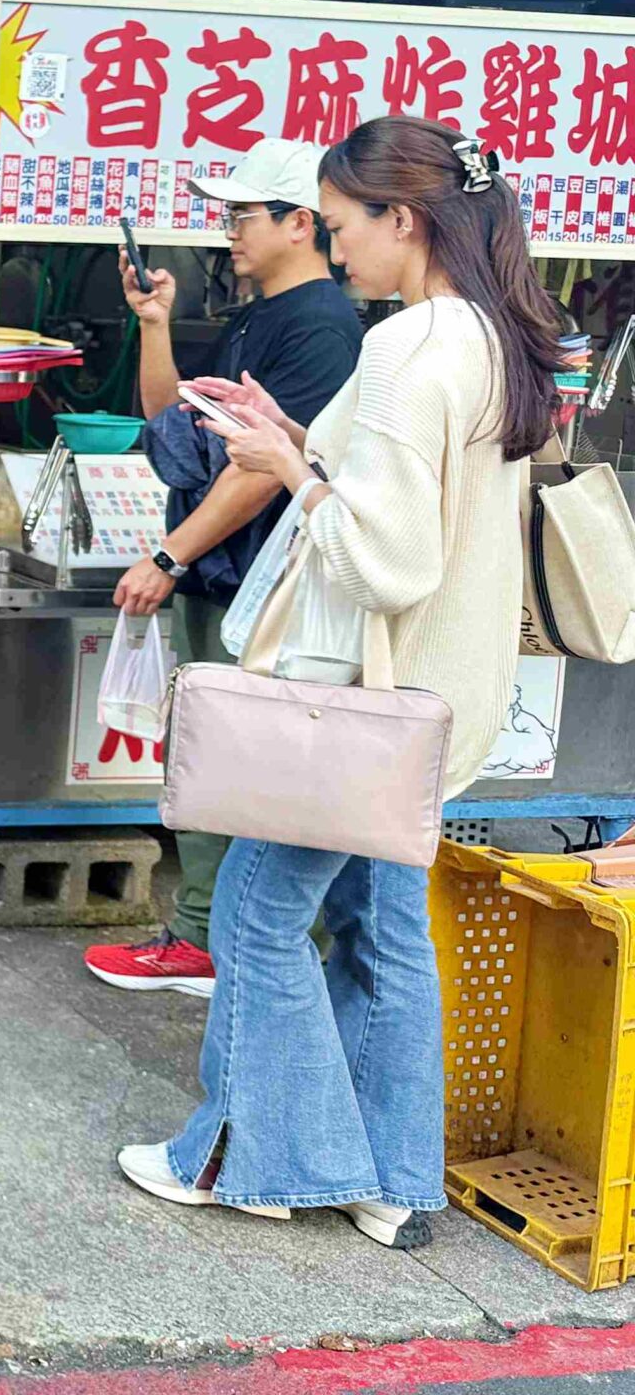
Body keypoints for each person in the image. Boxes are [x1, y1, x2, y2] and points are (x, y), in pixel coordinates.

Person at [117, 116, 564, 1248]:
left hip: (354, 700)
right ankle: (394, 1180)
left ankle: (276, 1160)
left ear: (401, 220)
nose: (336, 245)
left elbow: (386, 556)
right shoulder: (485, 337)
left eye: (340, 223)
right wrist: (285, 440)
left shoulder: (408, 346)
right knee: (381, 926)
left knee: (263, 924)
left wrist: (291, 477)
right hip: (428, 705)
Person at [85, 138, 360, 999]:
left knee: (240, 768)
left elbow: (258, 470)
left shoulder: (319, 324)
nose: (229, 231)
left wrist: (170, 553)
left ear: (300, 224)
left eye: (243, 216)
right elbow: (173, 425)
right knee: (205, 759)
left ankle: (226, 945)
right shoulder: (259, 314)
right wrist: (155, 325)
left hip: (258, 588)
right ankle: (212, 936)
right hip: (219, 577)